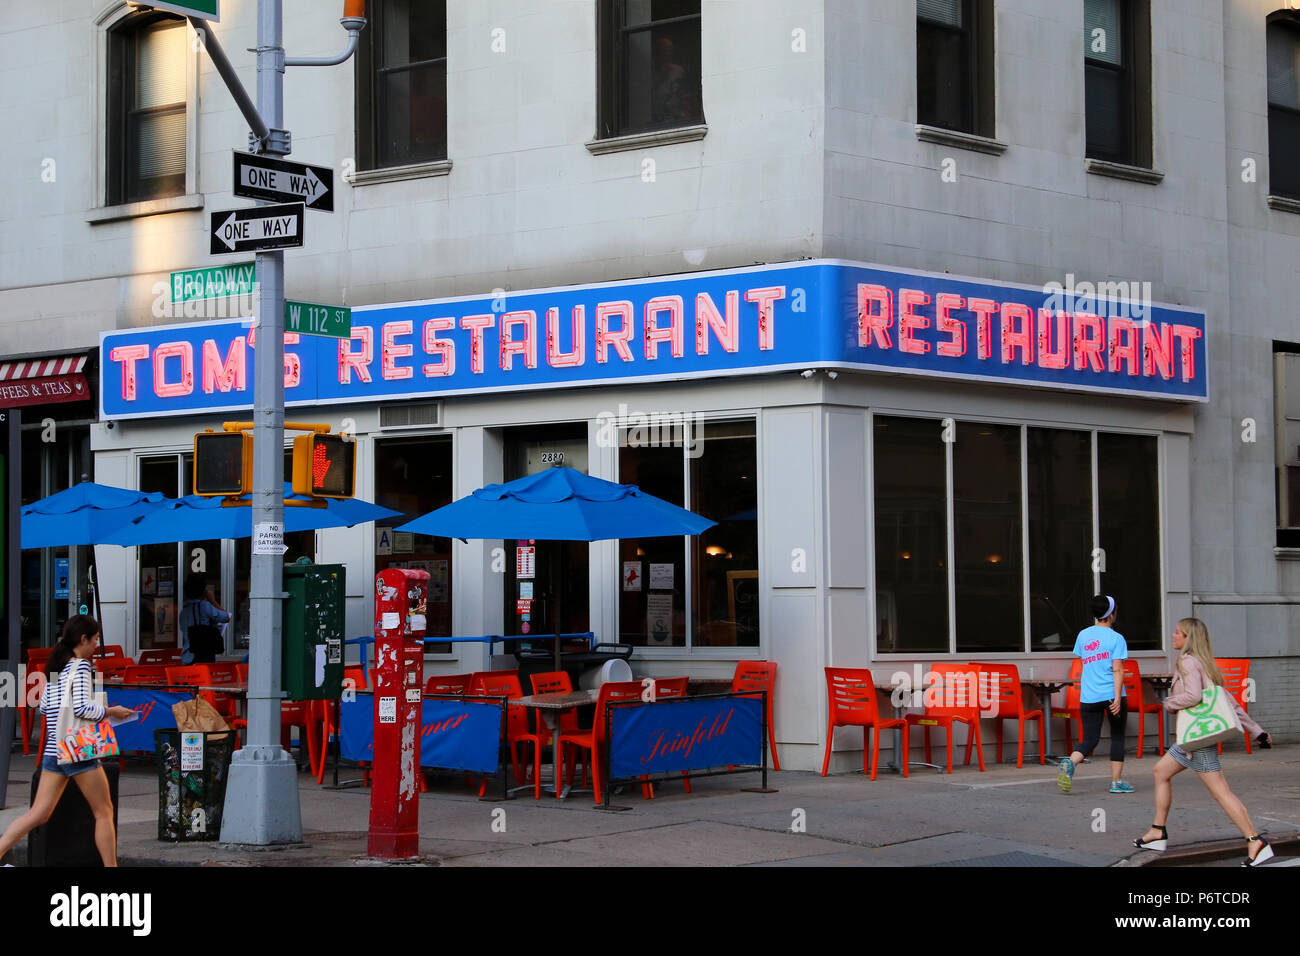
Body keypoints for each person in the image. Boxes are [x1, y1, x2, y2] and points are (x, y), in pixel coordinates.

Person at [1133, 618, 1274, 866]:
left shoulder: (1187, 661)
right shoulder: (1204, 663)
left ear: (1188, 638)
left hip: (1197, 740)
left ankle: (1255, 840)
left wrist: (1169, 703)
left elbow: (1193, 696)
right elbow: (1228, 702)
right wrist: (1257, 731)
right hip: (1194, 738)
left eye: (1178, 632)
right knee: (1160, 772)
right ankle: (1157, 831)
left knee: (1220, 791)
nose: (1173, 635)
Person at [0, 616, 135, 867]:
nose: (96, 646)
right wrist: (111, 711)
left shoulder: (55, 667)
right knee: (103, 812)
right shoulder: (81, 667)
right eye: (95, 640)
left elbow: (46, 708)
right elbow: (82, 708)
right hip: (78, 750)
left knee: (37, 814)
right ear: (83, 639)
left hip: (55, 749)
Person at [1057, 594, 1132, 794]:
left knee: (1090, 738)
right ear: (1111, 614)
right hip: (1111, 694)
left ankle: (1071, 762)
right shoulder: (1117, 638)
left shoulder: (1083, 635)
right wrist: (1117, 697)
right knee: (1117, 737)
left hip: (1088, 696)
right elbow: (1118, 669)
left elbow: (1085, 662)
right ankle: (1116, 783)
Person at [180, 573, 230, 665]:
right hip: (203, 656)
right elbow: (226, 617)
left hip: (187, 656)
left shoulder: (184, 611)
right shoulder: (204, 606)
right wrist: (212, 600)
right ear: (203, 591)